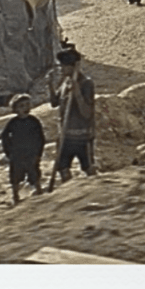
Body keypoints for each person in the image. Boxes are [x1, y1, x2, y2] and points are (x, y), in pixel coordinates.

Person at [48, 47, 95, 189]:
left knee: (89, 169)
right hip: (65, 136)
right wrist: (50, 85)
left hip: (82, 136)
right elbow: (54, 103)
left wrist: (77, 93)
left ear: (73, 66)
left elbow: (87, 112)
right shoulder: (65, 82)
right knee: (63, 168)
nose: (61, 69)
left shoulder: (86, 83)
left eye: (64, 66)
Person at [0, 93, 45, 203]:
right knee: (15, 176)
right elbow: (4, 137)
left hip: (31, 153)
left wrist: (39, 153)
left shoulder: (34, 121)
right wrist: (8, 152)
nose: (25, 108)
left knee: (34, 173)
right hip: (17, 154)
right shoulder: (13, 123)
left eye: (27, 105)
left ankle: (38, 191)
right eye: (21, 106)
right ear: (15, 109)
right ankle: (15, 196)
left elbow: (41, 138)